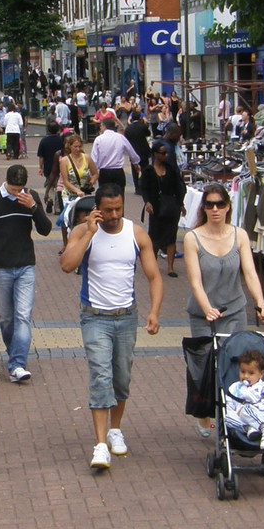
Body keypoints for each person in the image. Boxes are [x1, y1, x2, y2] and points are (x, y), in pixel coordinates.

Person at [58, 182, 163, 471]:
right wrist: (89, 233)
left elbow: (154, 276)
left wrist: (154, 312)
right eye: (108, 210)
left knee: (121, 377)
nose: (114, 215)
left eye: (118, 209)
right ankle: (100, 444)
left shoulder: (136, 233)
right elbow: (67, 265)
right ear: (97, 209)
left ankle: (115, 429)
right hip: (95, 317)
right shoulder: (84, 232)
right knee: (100, 375)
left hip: (126, 316)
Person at [185, 183, 264, 435]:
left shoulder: (240, 235)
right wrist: (207, 308)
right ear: (203, 207)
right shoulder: (193, 238)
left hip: (234, 310)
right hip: (204, 315)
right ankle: (204, 413)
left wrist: (261, 303)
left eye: (220, 204)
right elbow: (195, 281)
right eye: (210, 204)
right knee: (205, 367)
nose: (215, 209)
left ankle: (234, 415)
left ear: (228, 207)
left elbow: (249, 273)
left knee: (238, 364)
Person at [0, 164, 52, 384]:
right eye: (13, 189)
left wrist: (34, 207)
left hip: (26, 265)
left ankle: (17, 364)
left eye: (21, 189)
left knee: (23, 317)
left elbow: (46, 230)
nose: (17, 193)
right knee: (7, 319)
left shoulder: (31, 197)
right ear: (6, 183)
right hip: (1, 268)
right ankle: (14, 357)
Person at [138, 140, 185, 278]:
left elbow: (179, 187)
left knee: (171, 236)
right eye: (163, 153)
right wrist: (147, 202)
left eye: (167, 153)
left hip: (171, 206)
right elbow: (144, 188)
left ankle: (170, 267)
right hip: (156, 207)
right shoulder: (148, 170)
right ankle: (153, 265)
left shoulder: (171, 169)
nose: (166, 155)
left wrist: (181, 204)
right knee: (155, 237)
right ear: (155, 154)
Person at [225, 348, 264, 449]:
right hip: (244, 422)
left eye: (251, 373)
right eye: (243, 372)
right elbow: (229, 406)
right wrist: (235, 413)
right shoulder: (234, 388)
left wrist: (253, 407)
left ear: (261, 374)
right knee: (226, 418)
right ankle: (250, 428)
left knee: (246, 409)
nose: (246, 376)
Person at [89, 115, 139, 193]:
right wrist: (135, 163)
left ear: (103, 126)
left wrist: (93, 173)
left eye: (101, 126)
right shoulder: (120, 137)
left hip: (104, 172)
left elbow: (94, 158)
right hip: (118, 172)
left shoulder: (99, 139)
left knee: (105, 196)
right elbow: (131, 151)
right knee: (119, 196)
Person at [36, 121, 67, 214]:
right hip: (60, 166)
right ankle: (57, 208)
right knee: (59, 186)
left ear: (48, 130)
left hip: (48, 168)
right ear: (57, 129)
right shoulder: (61, 140)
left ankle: (49, 199)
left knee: (49, 184)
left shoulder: (44, 141)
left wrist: (40, 168)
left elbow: (41, 157)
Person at [59, 132, 95, 202]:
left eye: (79, 146)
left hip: (84, 194)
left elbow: (95, 174)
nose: (78, 149)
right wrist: (77, 191)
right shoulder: (64, 161)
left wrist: (91, 183)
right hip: (69, 195)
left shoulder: (87, 158)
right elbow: (65, 181)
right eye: (75, 147)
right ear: (70, 146)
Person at [124, 108, 153, 193]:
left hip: (133, 151)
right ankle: (144, 186)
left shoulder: (129, 129)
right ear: (140, 118)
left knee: (134, 170)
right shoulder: (143, 126)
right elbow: (148, 134)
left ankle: (136, 187)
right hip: (143, 150)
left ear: (132, 119)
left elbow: (127, 139)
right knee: (145, 169)